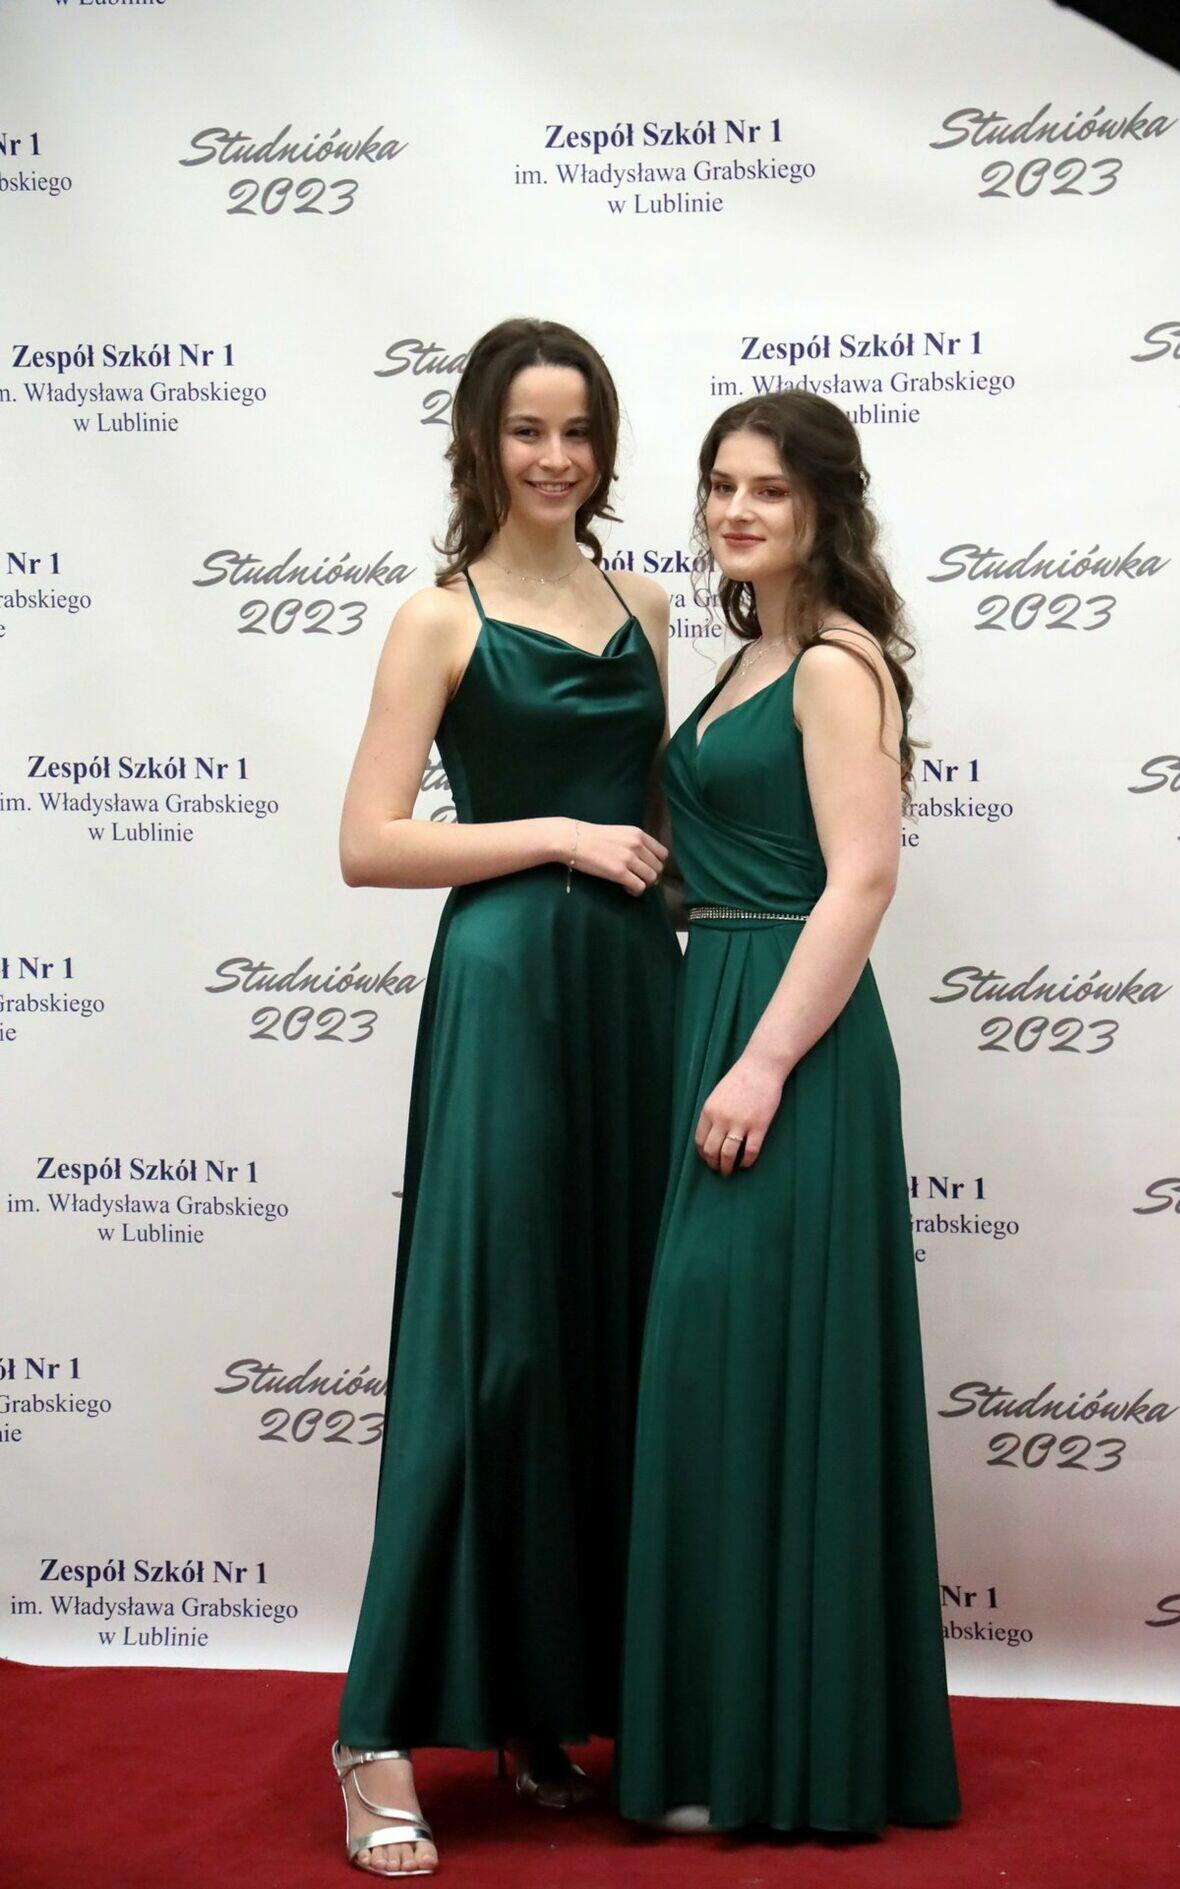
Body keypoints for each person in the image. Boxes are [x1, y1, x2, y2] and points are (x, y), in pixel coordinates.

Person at [332, 317, 679, 1875]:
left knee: (606, 1334)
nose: (556, 456)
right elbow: (369, 841)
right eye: (528, 429)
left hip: (634, 991)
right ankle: (372, 1732)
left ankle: (546, 1706)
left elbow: (662, 820)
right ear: (481, 441)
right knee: (495, 1341)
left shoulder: (645, 605)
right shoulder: (438, 618)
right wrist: (552, 833)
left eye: (578, 429)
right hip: (507, 987)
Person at [616, 391, 961, 1835]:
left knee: (757, 1367)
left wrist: (760, 1063)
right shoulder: (745, 656)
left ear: (824, 505)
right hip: (717, 1003)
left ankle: (788, 1753)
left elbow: (862, 880)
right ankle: (729, 1739)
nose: (736, 511)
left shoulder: (834, 663)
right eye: (719, 486)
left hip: (793, 1042)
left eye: (767, 487)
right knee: (722, 1381)